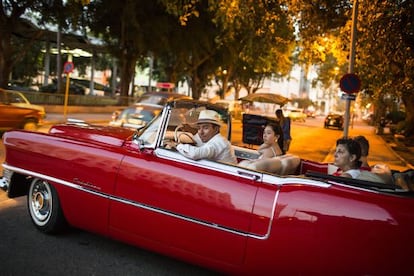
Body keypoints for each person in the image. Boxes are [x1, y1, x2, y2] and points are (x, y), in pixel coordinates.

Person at [168, 109, 237, 164]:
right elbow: (195, 139)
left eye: (205, 128)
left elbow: (195, 154)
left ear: (216, 129)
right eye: (199, 128)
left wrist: (177, 145)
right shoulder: (210, 138)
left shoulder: (219, 142)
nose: (201, 132)